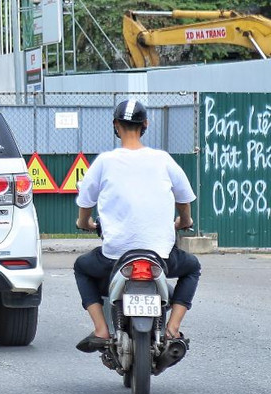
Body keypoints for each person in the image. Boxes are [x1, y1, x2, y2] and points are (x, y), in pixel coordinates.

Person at [73, 99, 201, 353]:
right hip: (160, 256)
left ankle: (101, 329)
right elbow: (184, 199)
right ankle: (172, 329)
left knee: (81, 268)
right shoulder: (163, 160)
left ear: (115, 125)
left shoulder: (104, 162)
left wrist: (84, 222)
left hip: (115, 257)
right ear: (145, 124)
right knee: (192, 268)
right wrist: (183, 221)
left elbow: (86, 203)